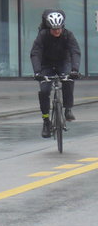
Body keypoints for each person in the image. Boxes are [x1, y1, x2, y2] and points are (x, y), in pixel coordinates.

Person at [30, 9, 81, 137]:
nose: (57, 31)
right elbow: (35, 53)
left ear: (62, 26)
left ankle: (68, 109)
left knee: (68, 80)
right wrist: (37, 72)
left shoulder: (68, 35)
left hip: (63, 62)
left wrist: (75, 69)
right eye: (54, 29)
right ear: (48, 28)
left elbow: (75, 51)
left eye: (59, 28)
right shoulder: (43, 35)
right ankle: (46, 121)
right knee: (44, 91)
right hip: (46, 64)